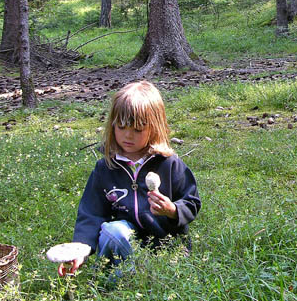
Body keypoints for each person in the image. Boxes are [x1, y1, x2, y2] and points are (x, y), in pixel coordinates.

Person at [58, 80, 201, 277]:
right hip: (122, 244)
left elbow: (192, 202)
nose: (128, 135)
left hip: (166, 247)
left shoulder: (169, 164)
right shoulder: (105, 168)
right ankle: (123, 281)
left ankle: (150, 275)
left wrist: (172, 210)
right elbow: (91, 214)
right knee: (112, 230)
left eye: (137, 129)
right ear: (112, 125)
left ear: (154, 128)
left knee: (165, 268)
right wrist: (80, 249)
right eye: (121, 126)